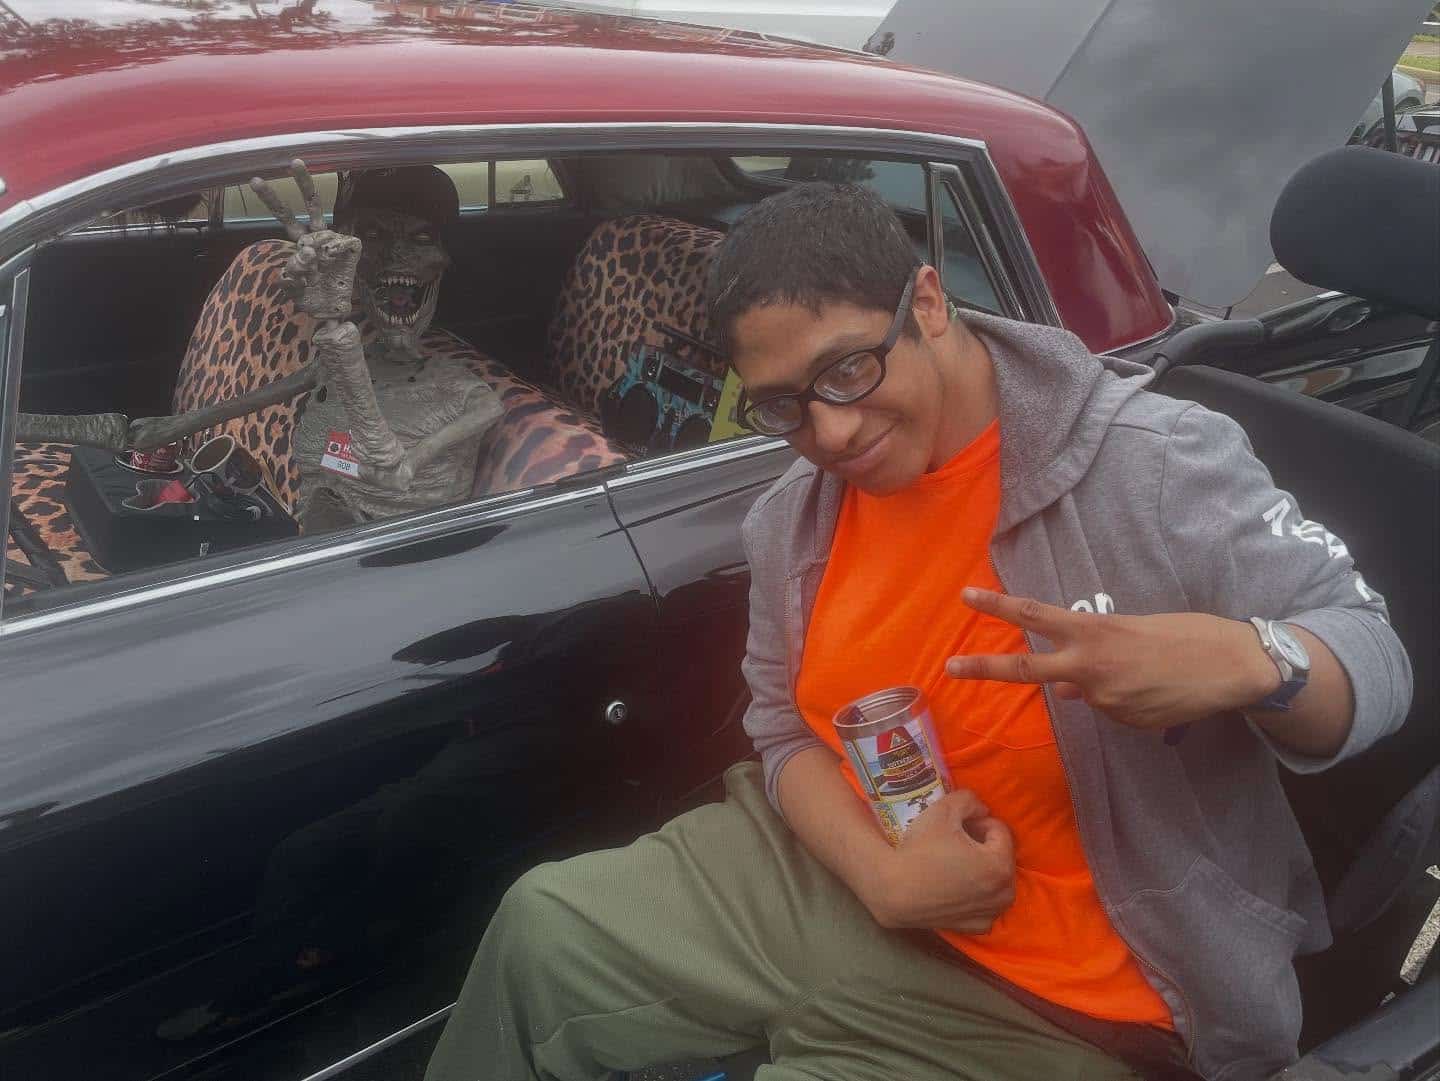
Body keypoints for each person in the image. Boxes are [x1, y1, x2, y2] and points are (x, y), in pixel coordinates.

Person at [424, 183, 1412, 1081]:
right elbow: (779, 727)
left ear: (928, 304)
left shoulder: (1156, 462)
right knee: (543, 929)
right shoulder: (793, 518)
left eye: (847, 369)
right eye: (784, 404)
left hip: (1071, 997)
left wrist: (1249, 660)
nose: (834, 434)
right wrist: (881, 875)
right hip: (834, 873)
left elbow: (1374, 658)